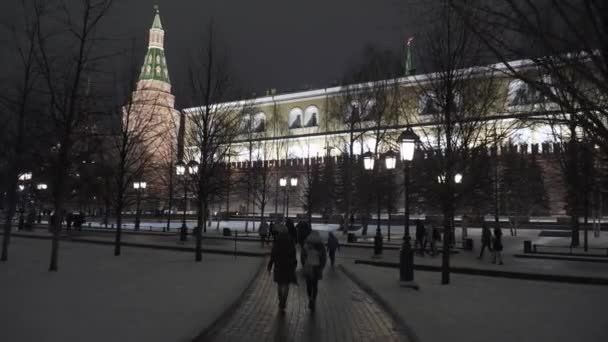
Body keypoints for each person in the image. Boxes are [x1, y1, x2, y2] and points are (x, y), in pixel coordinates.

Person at [267, 225, 297, 312]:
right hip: (288, 265)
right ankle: (284, 300)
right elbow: (294, 254)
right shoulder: (291, 240)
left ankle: (281, 301)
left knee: (280, 285)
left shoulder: (278, 240)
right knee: (287, 285)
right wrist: (294, 264)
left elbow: (273, 254)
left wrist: (270, 265)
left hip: (279, 265)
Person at [301, 230, 327, 311]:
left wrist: (304, 265)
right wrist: (321, 267)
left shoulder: (306, 244)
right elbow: (324, 258)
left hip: (308, 266)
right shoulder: (321, 246)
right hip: (317, 267)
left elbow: (302, 257)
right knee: (315, 285)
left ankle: (310, 298)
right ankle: (314, 299)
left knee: (308, 285)